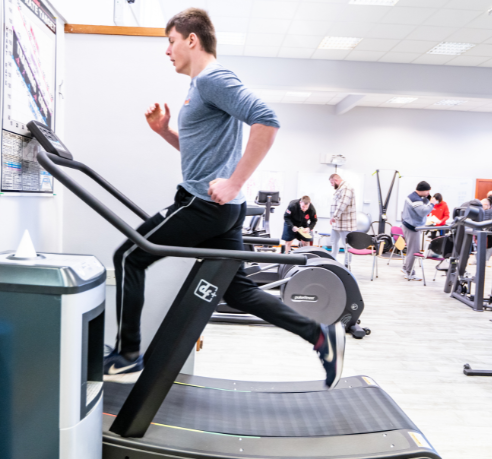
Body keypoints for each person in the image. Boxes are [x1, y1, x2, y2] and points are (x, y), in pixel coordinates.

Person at [103, 8, 344, 389]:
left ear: (191, 40)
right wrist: (165, 132)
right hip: (222, 210)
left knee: (129, 256)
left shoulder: (213, 79)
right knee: (241, 291)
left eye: (171, 41)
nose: (168, 51)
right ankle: (318, 335)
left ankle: (127, 357)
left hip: (202, 204)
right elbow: (202, 154)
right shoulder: (199, 86)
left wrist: (234, 182)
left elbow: (267, 120)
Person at [401, 181, 435, 281]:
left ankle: (405, 268)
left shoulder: (413, 196)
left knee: (411, 249)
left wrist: (427, 200)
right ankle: (409, 273)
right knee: (414, 251)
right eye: (428, 191)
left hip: (408, 225)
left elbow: (421, 206)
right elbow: (423, 211)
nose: (429, 193)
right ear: (423, 190)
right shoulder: (415, 199)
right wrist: (432, 204)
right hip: (412, 228)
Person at [328, 174, 356, 266]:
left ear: (336, 180)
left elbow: (343, 204)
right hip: (337, 224)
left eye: (332, 182)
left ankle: (347, 265)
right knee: (333, 242)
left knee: (346, 245)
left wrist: (334, 216)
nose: (331, 185)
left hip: (345, 224)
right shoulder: (340, 188)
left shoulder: (346, 188)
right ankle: (332, 262)